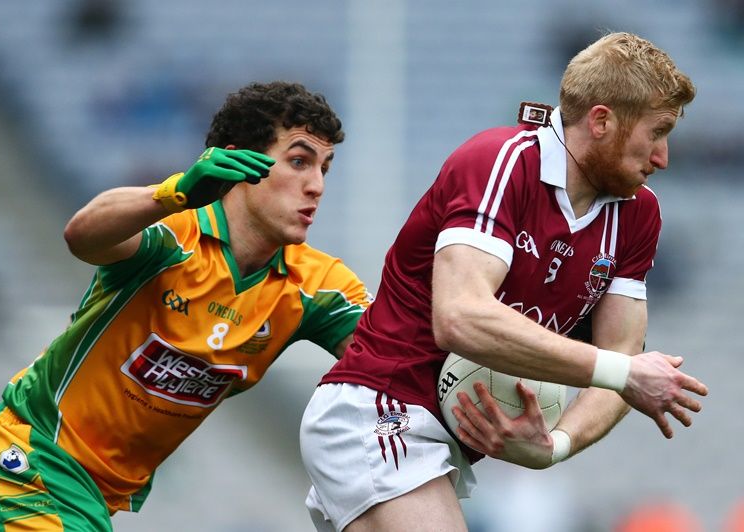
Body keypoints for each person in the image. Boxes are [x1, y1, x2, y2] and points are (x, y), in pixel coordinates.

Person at [299, 32, 709, 532]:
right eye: (657, 133)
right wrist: (622, 373)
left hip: (440, 444)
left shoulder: (638, 215)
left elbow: (623, 352)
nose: (663, 157)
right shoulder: (502, 161)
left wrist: (556, 446)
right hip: (380, 408)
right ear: (601, 121)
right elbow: (459, 317)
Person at [0, 81, 373, 530]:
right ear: (240, 164)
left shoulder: (317, 285)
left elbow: (396, 356)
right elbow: (82, 235)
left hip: (84, 499)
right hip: (20, 466)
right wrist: (174, 192)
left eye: (325, 168)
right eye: (299, 162)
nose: (317, 186)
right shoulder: (174, 233)